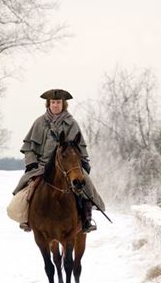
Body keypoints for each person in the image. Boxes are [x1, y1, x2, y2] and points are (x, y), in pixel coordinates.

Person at [12, 89, 105, 233]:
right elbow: (29, 147)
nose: (56, 105)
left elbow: (78, 147)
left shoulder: (71, 123)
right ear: (48, 104)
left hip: (67, 166)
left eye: (58, 103)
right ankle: (26, 218)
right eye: (53, 102)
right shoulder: (39, 122)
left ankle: (86, 219)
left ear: (63, 104)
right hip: (42, 166)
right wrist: (32, 163)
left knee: (85, 185)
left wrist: (81, 163)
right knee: (29, 187)